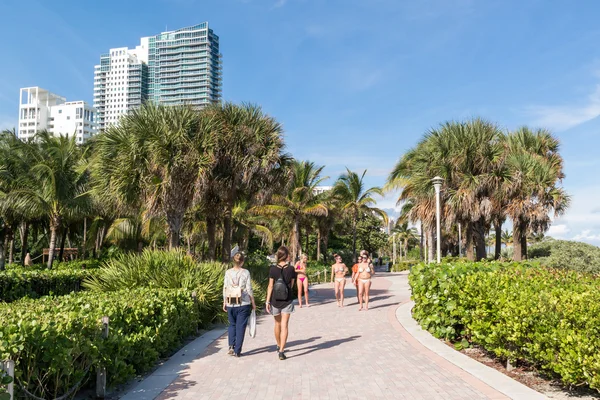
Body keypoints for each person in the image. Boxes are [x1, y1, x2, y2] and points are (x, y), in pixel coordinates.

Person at [222, 252, 256, 357]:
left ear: (233, 260)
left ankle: (231, 346)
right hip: (243, 303)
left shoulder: (228, 272)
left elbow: (225, 288)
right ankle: (237, 351)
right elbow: (249, 288)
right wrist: (253, 302)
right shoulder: (246, 272)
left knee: (232, 325)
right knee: (240, 327)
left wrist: (225, 301)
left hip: (231, 303)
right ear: (242, 261)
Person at [266, 246, 297, 360]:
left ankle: (278, 345)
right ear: (287, 255)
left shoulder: (272, 269)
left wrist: (267, 301)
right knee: (285, 326)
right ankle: (281, 351)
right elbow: (292, 284)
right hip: (287, 300)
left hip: (275, 300)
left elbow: (270, 286)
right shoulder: (291, 269)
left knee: (277, 324)